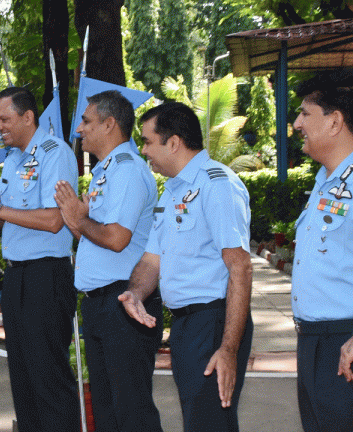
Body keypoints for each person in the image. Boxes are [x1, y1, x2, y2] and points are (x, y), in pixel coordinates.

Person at [119, 102, 253, 432]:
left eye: (147, 141)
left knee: (210, 423)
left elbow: (240, 267)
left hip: (213, 321)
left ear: (174, 143)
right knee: (198, 421)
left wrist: (228, 349)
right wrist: (135, 293)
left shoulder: (217, 184)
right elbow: (152, 259)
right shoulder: (173, 191)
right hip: (186, 327)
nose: (143, 150)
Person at [0, 87, 80, 432]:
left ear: (28, 117)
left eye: (4, 119)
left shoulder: (54, 153)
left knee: (48, 376)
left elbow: (54, 220)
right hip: (16, 277)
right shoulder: (14, 159)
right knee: (23, 376)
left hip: (46, 276)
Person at [54, 90, 163, 432]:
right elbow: (96, 237)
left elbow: (116, 239)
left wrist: (78, 218)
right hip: (102, 302)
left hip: (124, 301)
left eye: (86, 121)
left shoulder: (126, 170)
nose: (79, 129)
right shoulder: (106, 170)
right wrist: (78, 221)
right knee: (107, 410)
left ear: (109, 124)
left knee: (131, 411)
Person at [291, 71, 353, 432]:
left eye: (305, 113)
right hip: (312, 341)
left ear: (334, 122)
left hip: (345, 343)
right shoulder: (324, 181)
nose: (297, 124)